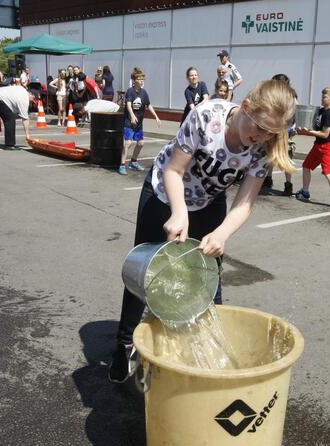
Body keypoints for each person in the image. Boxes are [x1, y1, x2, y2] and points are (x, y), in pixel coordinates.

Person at [108, 79, 297, 383]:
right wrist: (179, 212)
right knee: (146, 273)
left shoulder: (264, 148)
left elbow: (245, 203)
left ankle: (207, 355)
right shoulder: (206, 116)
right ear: (246, 107)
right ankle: (124, 344)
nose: (260, 137)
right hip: (163, 192)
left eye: (271, 133)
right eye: (259, 128)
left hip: (209, 201)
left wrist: (222, 234)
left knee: (208, 277)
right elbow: (174, 170)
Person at [295, 86, 330, 210]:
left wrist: (309, 132)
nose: (322, 99)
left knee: (327, 172)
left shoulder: (329, 114)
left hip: (328, 146)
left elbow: (325, 134)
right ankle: (305, 192)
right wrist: (302, 127)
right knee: (306, 166)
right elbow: (312, 124)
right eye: (322, 96)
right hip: (318, 145)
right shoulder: (321, 111)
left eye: (325, 97)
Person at [120, 68, 160, 175]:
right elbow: (128, 104)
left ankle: (133, 162)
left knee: (141, 143)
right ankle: (122, 165)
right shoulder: (130, 91)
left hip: (139, 124)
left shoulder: (144, 93)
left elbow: (148, 105)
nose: (142, 81)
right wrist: (132, 115)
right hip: (129, 122)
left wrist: (156, 116)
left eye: (143, 79)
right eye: (139, 79)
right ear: (134, 81)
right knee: (127, 143)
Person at [263, 73, 297, 195]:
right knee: (271, 156)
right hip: (274, 130)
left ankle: (288, 185)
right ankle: (268, 178)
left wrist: (292, 127)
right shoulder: (274, 96)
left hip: (285, 132)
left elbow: (293, 116)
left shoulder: (291, 96)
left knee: (286, 159)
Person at [0, 81, 32, 149]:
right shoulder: (24, 99)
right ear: (30, 94)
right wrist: (27, 135)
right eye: (33, 98)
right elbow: (25, 118)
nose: (32, 101)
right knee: (9, 119)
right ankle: (9, 144)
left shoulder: (22, 89)